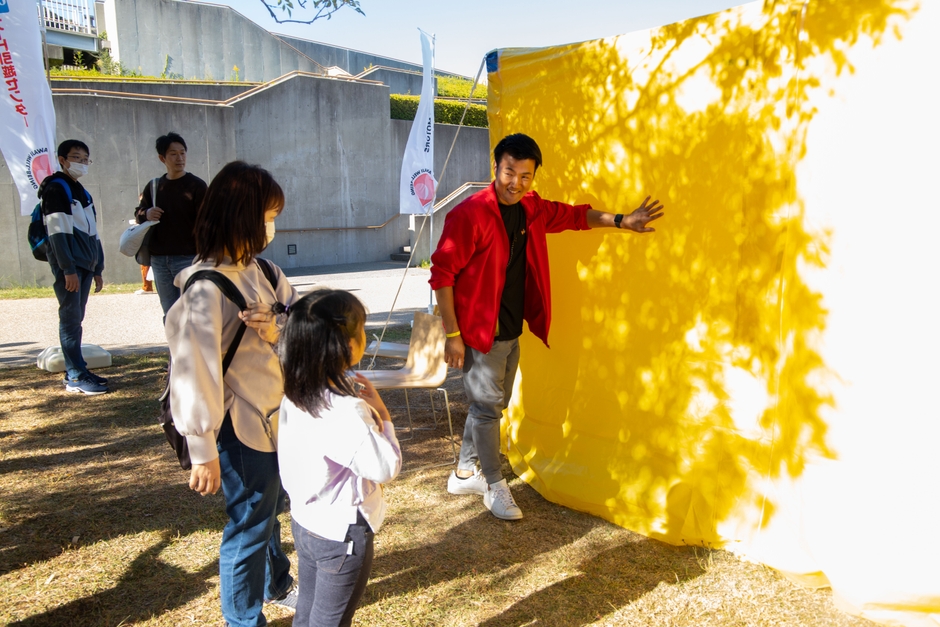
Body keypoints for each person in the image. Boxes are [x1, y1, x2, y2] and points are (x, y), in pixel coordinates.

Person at [430, 133, 665, 521]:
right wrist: (453, 336)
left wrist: (623, 220)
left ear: (533, 177)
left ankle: (463, 472)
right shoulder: (468, 214)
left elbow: (576, 216)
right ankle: (493, 484)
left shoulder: (532, 209)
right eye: (509, 172)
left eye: (525, 176)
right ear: (495, 168)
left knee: (493, 405)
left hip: (510, 332)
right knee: (488, 409)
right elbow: (443, 275)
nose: (516, 183)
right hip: (479, 334)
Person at [166, 161, 297, 627]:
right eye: (267, 214)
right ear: (241, 216)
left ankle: (277, 582)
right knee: (249, 522)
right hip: (239, 428)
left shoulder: (260, 268)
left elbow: (299, 320)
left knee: (268, 505)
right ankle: (244, 619)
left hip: (271, 416)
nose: (271, 226)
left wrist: (277, 326)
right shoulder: (206, 288)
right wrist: (202, 449)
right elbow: (193, 372)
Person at [277, 289, 401, 627]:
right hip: (341, 533)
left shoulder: (295, 392)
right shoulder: (345, 411)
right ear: (347, 345)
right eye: (361, 330)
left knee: (307, 611)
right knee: (329, 621)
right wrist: (383, 414)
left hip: (305, 520)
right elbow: (386, 466)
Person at [38, 139, 108, 395]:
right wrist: (67, 269)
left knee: (76, 318)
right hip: (71, 266)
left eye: (85, 158)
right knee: (70, 319)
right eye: (76, 157)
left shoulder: (82, 192)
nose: (81, 162)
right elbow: (57, 233)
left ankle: (78, 367)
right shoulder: (57, 189)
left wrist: (98, 267)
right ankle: (75, 376)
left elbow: (94, 233)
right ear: (62, 160)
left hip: (86, 264)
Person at [135, 132, 208, 317]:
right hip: (159, 259)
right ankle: (175, 347)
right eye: (173, 153)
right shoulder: (154, 186)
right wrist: (146, 213)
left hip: (189, 257)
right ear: (162, 158)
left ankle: (193, 347)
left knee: (193, 312)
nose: (179, 158)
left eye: (182, 153)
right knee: (170, 313)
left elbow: (209, 221)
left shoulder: (197, 186)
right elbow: (139, 212)